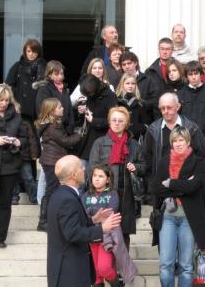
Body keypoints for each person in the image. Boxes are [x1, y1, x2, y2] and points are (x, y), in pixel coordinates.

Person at [47, 155, 121, 287]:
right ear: (73, 174)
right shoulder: (67, 198)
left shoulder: (61, 195)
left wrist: (93, 220)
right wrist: (101, 229)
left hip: (63, 274)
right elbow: (71, 233)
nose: (84, 171)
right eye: (80, 168)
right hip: (69, 275)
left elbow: (69, 225)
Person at [152, 126, 205, 287]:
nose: (178, 144)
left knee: (186, 265)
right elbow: (157, 189)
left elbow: (195, 186)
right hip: (168, 218)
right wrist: (183, 186)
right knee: (166, 263)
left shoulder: (197, 162)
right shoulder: (163, 162)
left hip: (189, 219)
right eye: (175, 141)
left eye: (181, 140)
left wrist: (171, 183)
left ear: (187, 142)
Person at [81, 164, 136, 287]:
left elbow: (109, 212)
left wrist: (91, 214)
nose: (97, 179)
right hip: (89, 236)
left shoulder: (113, 194)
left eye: (101, 176)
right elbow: (82, 216)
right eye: (95, 176)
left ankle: (116, 284)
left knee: (103, 268)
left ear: (107, 179)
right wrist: (95, 215)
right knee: (95, 272)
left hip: (106, 237)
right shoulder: (85, 196)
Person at [89, 106, 146, 250]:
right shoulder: (100, 143)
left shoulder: (133, 144)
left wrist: (136, 168)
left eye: (121, 120)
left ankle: (122, 268)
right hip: (105, 194)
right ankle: (107, 269)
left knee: (124, 233)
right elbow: (91, 168)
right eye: (114, 120)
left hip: (127, 195)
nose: (117, 123)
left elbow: (144, 166)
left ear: (126, 123)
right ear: (109, 122)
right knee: (105, 231)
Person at [0, 84, 27, 248]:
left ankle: (0, 238)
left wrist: (18, 141)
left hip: (9, 164)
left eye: (7, 100)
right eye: (1, 100)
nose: (3, 103)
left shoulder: (16, 116)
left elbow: (25, 139)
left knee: (5, 204)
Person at [143, 93, 205, 197]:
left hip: (187, 187)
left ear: (177, 107)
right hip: (162, 188)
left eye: (169, 107)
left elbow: (202, 154)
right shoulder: (153, 130)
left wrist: (193, 180)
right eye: (162, 108)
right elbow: (147, 157)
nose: (165, 111)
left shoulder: (192, 129)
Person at [35, 98, 84, 231]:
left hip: (53, 160)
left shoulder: (55, 123)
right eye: (59, 107)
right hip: (52, 161)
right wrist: (80, 135)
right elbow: (65, 141)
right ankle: (43, 221)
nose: (62, 109)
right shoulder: (51, 126)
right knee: (51, 190)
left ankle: (49, 219)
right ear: (51, 110)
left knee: (53, 189)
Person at [76, 74, 118, 165]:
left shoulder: (110, 97)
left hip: (102, 141)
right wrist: (83, 112)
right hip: (87, 142)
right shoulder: (91, 94)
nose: (90, 95)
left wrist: (94, 120)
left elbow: (114, 121)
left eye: (90, 93)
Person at [177, 61, 205, 146]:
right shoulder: (180, 95)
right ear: (186, 76)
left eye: (196, 74)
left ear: (201, 74)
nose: (193, 77)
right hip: (184, 140)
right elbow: (176, 119)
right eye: (190, 74)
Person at [5, 38, 47, 121]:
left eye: (34, 51)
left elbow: (48, 87)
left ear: (38, 53)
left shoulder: (44, 67)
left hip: (39, 108)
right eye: (29, 51)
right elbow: (7, 86)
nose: (31, 54)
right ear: (25, 52)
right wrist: (15, 103)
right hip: (21, 108)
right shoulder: (18, 66)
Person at [35, 60, 75, 135]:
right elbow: (43, 112)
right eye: (56, 74)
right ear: (49, 75)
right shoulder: (44, 89)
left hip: (67, 132)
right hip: (52, 131)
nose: (60, 76)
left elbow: (70, 111)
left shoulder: (64, 89)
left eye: (61, 73)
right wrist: (58, 127)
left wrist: (70, 128)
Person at [144, 38, 175, 120]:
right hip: (155, 113)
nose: (165, 52)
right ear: (159, 50)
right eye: (162, 49)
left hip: (174, 111)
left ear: (172, 50)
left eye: (168, 49)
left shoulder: (179, 69)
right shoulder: (150, 71)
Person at [116, 73, 150, 141]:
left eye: (133, 83)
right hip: (119, 138)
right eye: (127, 83)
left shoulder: (141, 103)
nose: (130, 86)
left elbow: (146, 123)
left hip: (135, 140)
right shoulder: (117, 102)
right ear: (122, 84)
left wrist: (139, 128)